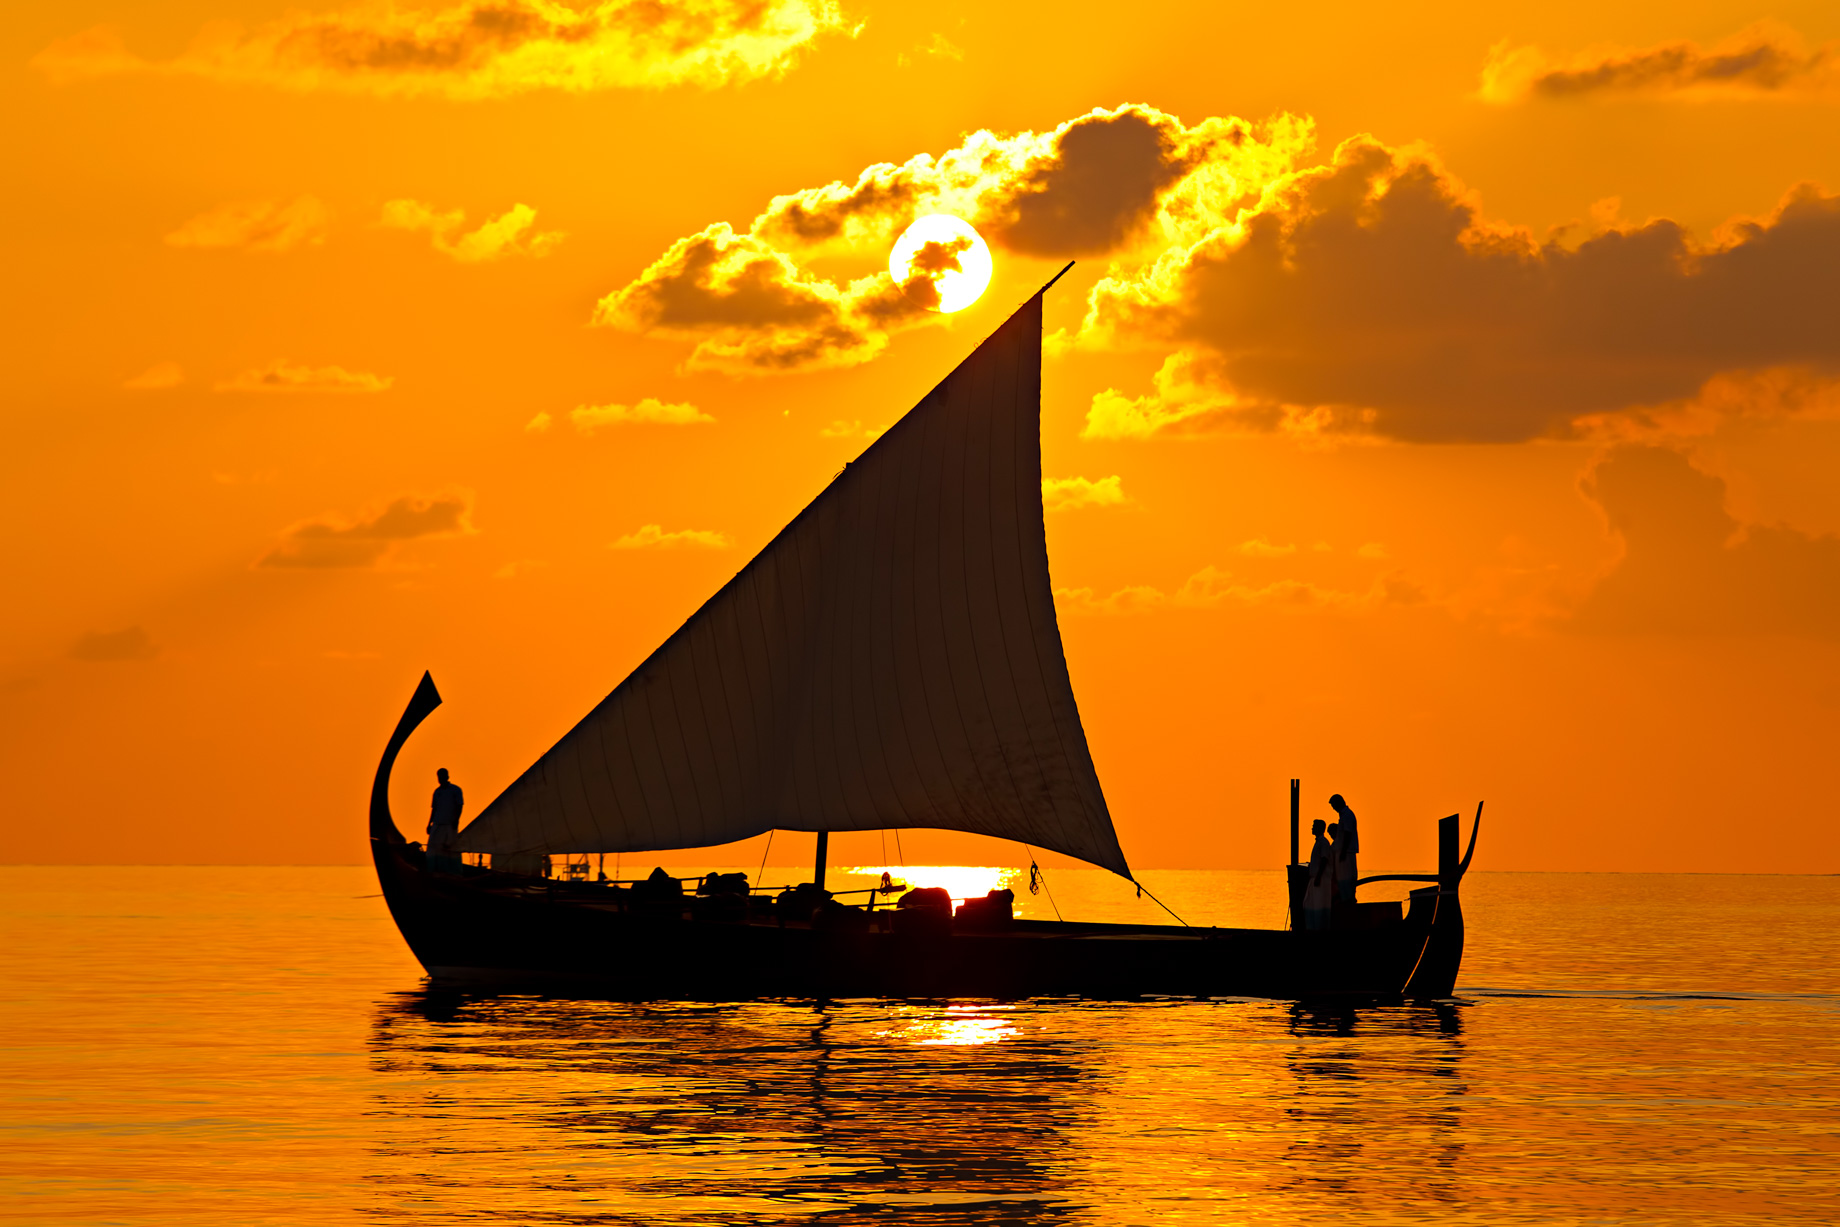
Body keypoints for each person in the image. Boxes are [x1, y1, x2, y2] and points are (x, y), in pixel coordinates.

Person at [427, 768, 464, 873]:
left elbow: (459, 806)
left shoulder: (456, 790)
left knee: (450, 848)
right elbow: (434, 809)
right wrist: (429, 824)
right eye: (439, 776)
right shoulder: (437, 792)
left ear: (447, 776)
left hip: (450, 825)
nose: (440, 778)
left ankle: (453, 873)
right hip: (437, 824)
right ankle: (433, 871)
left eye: (442, 776)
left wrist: (456, 820)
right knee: (433, 849)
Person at [1302, 818, 1334, 930]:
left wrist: (1319, 877)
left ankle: (1319, 928)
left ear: (1320, 828)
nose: (1312, 828)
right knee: (1309, 904)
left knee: (1319, 904)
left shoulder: (1323, 843)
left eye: (1314, 826)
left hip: (1320, 879)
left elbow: (1324, 859)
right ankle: (1312, 928)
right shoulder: (1319, 842)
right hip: (1315, 878)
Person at [1329, 793, 1360, 908]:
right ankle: (1346, 899)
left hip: (1346, 852)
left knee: (1346, 878)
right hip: (1345, 852)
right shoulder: (1345, 815)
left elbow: (1347, 834)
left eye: (1333, 806)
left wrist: (1342, 851)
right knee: (1343, 878)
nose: (1333, 808)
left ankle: (1348, 901)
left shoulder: (1347, 815)